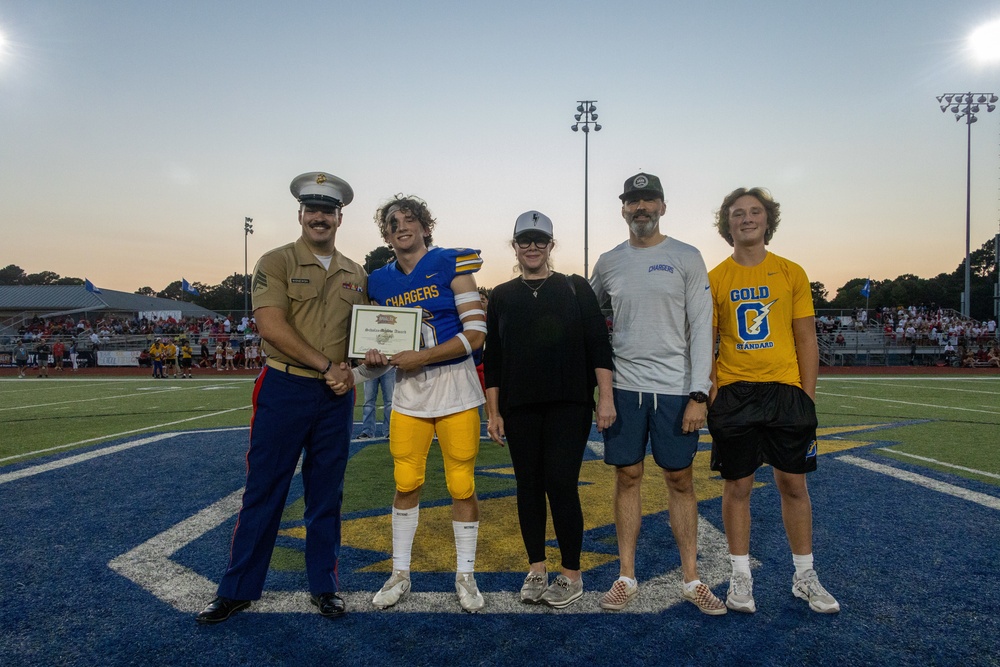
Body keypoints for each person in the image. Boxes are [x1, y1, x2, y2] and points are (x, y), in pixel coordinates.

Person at [196, 171, 365, 624]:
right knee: (264, 490)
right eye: (313, 210)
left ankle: (325, 586)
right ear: (300, 214)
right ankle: (237, 589)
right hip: (285, 386)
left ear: (339, 217)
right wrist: (328, 367)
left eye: (328, 211)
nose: (320, 217)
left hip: (334, 396)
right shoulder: (275, 261)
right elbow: (271, 327)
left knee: (326, 494)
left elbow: (360, 337)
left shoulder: (357, 272)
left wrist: (360, 363)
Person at [590, 172, 725, 614]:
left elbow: (702, 326)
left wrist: (699, 394)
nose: (640, 208)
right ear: (623, 208)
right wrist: (602, 390)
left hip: (674, 389)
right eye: (632, 201)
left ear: (662, 207)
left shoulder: (687, 256)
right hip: (626, 387)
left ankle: (692, 579)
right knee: (627, 477)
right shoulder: (609, 262)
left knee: (680, 480)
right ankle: (626, 576)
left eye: (648, 200)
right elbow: (589, 326)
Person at [707, 186, 840, 614]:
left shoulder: (791, 273)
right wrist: (713, 393)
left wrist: (806, 396)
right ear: (727, 224)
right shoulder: (715, 279)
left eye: (755, 212)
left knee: (793, 484)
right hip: (736, 391)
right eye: (738, 213)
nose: (747, 219)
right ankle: (740, 576)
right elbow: (705, 343)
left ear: (768, 221)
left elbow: (806, 336)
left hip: (784, 391)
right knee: (738, 485)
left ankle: (804, 575)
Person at [364, 195, 489, 613]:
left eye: (410, 219)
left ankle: (465, 575)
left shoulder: (451, 262)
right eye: (394, 222)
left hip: (455, 390)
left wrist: (422, 356)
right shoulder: (378, 281)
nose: (402, 226)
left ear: (424, 225)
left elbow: (475, 335)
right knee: (405, 482)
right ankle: (400, 572)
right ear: (386, 234)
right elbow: (378, 341)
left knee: (461, 484)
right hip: (410, 395)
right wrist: (371, 360)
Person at [484, 211, 615, 609]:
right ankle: (536, 568)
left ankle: (572, 573)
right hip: (519, 406)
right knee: (528, 487)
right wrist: (494, 411)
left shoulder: (575, 288)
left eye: (540, 240)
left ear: (551, 245)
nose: (533, 247)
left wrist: (605, 397)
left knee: (560, 483)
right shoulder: (503, 295)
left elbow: (598, 344)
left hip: (569, 403)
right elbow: (495, 357)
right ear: (515, 246)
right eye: (525, 240)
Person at [358, 371, 394, 439]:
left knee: (389, 402)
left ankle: (389, 431)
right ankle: (367, 431)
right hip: (371, 368)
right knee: (369, 402)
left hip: (388, 368)